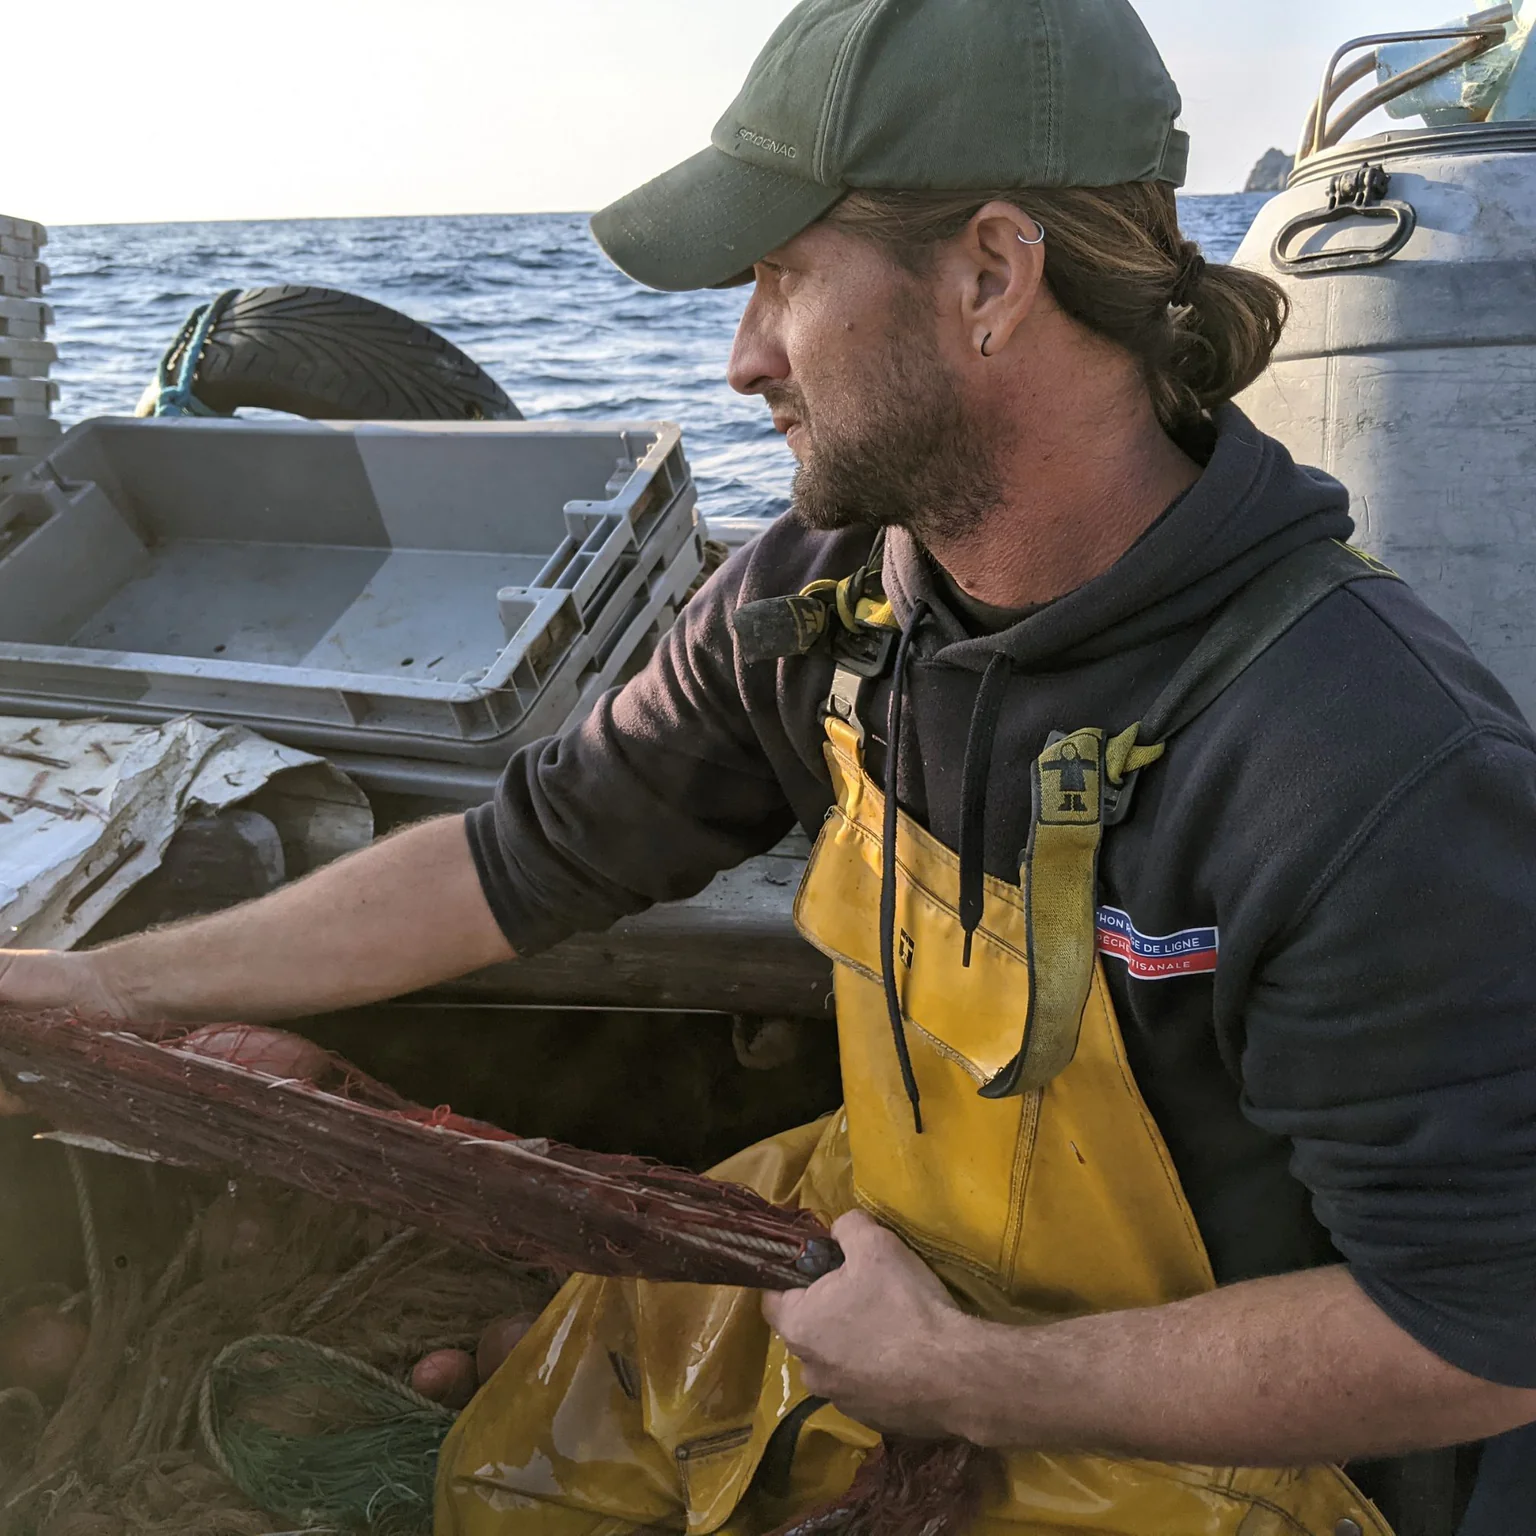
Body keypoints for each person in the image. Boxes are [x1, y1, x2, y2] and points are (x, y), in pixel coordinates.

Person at [5, 1, 1536, 1532]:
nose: (741, 359)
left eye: (783, 276)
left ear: (994, 276)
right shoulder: (822, 598)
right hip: (902, 1274)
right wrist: (116, 986)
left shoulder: (1364, 763)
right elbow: (514, 862)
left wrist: (968, 1382)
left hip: (1236, 1455)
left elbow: (1476, 1336)